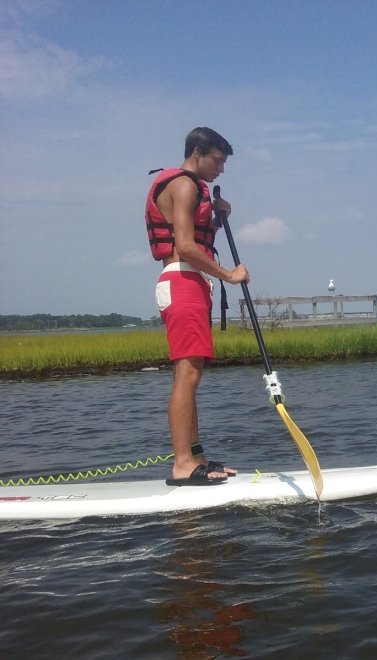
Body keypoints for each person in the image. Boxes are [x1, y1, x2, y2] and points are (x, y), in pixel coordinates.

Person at [145, 127, 250, 486]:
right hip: (182, 282)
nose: (221, 169)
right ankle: (182, 465)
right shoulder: (185, 184)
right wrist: (229, 276)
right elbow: (187, 247)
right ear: (197, 153)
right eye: (217, 161)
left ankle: (196, 457)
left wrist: (219, 217)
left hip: (189, 282)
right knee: (187, 376)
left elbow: (196, 240)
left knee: (190, 376)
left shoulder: (191, 190)